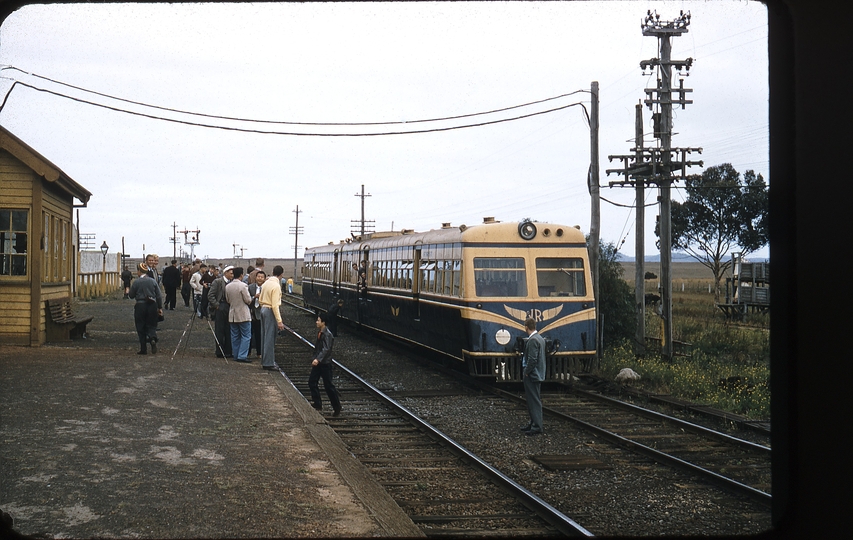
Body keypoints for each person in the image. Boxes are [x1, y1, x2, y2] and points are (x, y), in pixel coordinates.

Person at [308, 313, 342, 415]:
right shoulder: (321, 332)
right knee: (312, 382)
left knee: (328, 386)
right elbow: (318, 348)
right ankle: (317, 403)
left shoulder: (327, 334)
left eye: (318, 320)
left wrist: (317, 359)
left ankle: (337, 407)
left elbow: (326, 349)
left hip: (325, 364)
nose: (316, 322)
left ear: (323, 322)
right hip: (319, 363)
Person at [128, 262, 163, 355]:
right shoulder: (153, 281)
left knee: (140, 326)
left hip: (140, 305)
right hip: (152, 305)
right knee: (151, 324)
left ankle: (143, 349)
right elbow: (159, 295)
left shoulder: (136, 282)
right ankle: (152, 337)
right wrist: (160, 307)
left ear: (139, 271)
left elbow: (131, 295)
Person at [520, 318, 546, 436]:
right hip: (536, 373)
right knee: (532, 399)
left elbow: (532, 359)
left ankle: (537, 425)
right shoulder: (540, 339)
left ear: (526, 327)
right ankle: (533, 423)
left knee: (534, 400)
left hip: (533, 374)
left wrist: (526, 371)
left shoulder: (533, 340)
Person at [258, 264, 285, 371]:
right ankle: (268, 363)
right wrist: (279, 321)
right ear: (281, 274)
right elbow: (275, 305)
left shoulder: (266, 283)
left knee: (264, 336)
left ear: (273, 272)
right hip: (270, 310)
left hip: (263, 308)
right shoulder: (276, 286)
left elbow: (260, 298)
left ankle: (265, 360)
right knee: (270, 337)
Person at [225, 267, 253, 363]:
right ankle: (242, 355)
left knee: (235, 336)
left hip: (232, 313)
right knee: (246, 335)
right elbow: (248, 300)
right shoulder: (243, 286)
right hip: (243, 314)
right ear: (241, 275)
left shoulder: (228, 286)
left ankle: (236, 354)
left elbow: (228, 300)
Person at [208, 265, 234, 358]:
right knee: (219, 330)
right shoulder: (218, 282)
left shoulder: (232, 283)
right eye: (230, 273)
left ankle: (228, 351)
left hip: (229, 307)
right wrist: (217, 305)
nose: (232, 275)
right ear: (225, 273)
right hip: (221, 306)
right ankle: (219, 351)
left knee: (228, 329)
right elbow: (210, 295)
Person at [247, 270, 266, 358]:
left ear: (264, 279)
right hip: (251, 313)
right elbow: (246, 298)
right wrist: (254, 297)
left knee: (259, 334)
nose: (260, 278)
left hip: (261, 313)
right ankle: (248, 352)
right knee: (249, 333)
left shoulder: (266, 288)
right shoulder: (250, 287)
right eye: (258, 277)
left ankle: (259, 353)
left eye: (262, 277)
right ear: (256, 277)